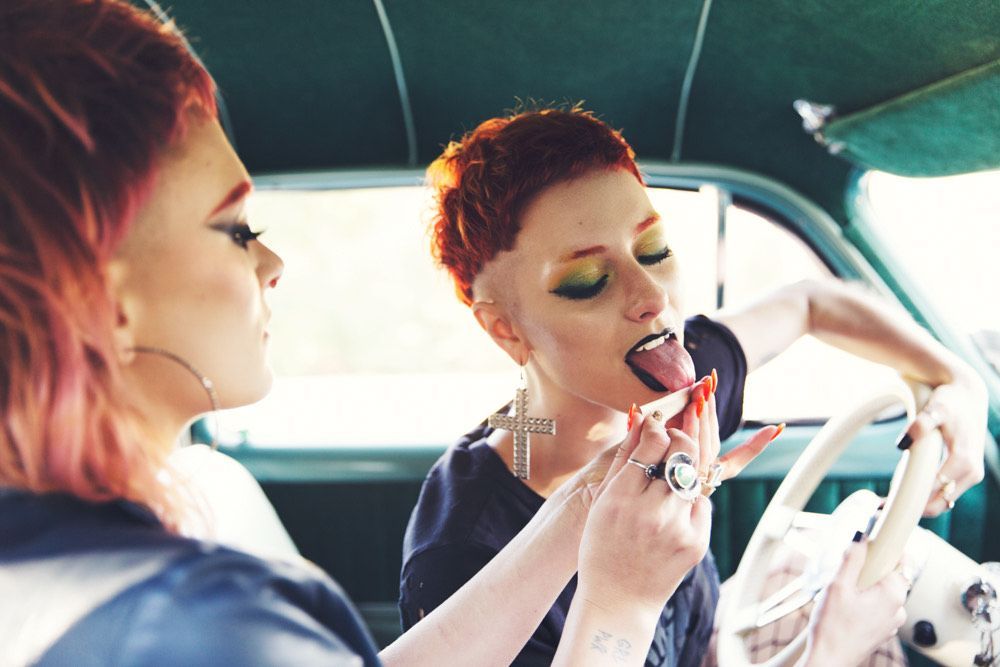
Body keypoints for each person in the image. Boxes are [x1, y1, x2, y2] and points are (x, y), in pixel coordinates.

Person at [0, 2, 775, 666]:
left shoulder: (113, 547)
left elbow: (810, 305)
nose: (273, 262)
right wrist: (620, 603)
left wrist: (585, 508)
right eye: (235, 228)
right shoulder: (195, 626)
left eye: (653, 249)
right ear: (99, 290)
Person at [399, 106, 989, 665]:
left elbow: (812, 302)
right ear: (506, 330)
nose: (653, 297)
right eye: (588, 281)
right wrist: (827, 654)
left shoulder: (676, 390)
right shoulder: (462, 556)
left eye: (653, 250)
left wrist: (958, 379)